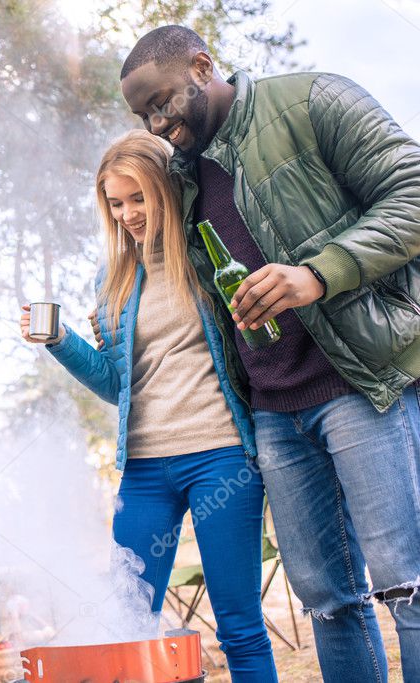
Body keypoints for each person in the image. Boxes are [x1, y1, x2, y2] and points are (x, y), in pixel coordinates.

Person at [119, 25, 420, 682]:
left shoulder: (312, 101)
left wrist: (317, 272)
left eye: (160, 102)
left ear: (201, 66)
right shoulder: (183, 173)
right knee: (326, 602)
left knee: (407, 583)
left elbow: (412, 194)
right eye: (141, 114)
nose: (154, 122)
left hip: (360, 385)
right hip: (276, 413)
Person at [20, 130, 278, 681]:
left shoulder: (207, 259)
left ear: (165, 189)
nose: (128, 214)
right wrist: (60, 342)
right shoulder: (112, 281)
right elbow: (119, 386)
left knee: (238, 625)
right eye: (116, 203)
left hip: (221, 459)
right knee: (127, 621)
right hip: (142, 470)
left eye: (139, 198)